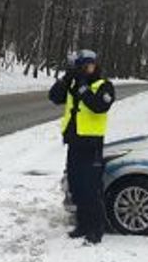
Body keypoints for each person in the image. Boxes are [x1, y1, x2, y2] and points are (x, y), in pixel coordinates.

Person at [48, 49, 115, 244]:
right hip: (75, 143)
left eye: (90, 65)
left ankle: (96, 228)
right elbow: (54, 97)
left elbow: (99, 106)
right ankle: (83, 224)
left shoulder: (104, 85)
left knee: (92, 189)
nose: (88, 69)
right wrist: (66, 79)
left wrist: (83, 87)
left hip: (92, 144)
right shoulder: (74, 84)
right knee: (76, 187)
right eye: (83, 66)